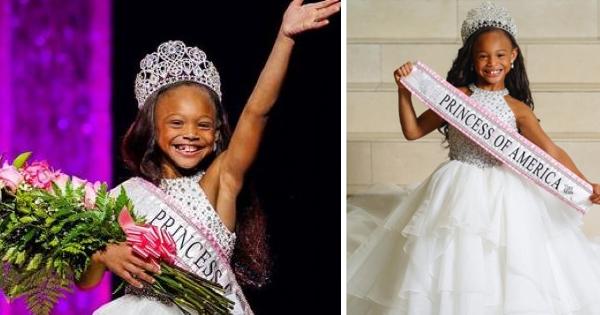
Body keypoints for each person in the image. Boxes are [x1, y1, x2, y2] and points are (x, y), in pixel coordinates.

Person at [75, 1, 341, 314]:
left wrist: (285, 37)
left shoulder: (219, 182)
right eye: (176, 123)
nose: (190, 133)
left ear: (216, 135)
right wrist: (102, 255)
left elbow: (257, 112)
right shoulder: (124, 196)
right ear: (153, 129)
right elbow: (85, 282)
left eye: (203, 125)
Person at [347, 2, 600, 314]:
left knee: (507, 264)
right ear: (472, 57)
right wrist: (403, 93)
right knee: (453, 259)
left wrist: (584, 183)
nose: (491, 63)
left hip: (508, 196)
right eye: (483, 55)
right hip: (457, 190)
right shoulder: (456, 98)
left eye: (500, 55)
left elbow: (551, 151)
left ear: (513, 57)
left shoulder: (518, 108)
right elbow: (412, 131)